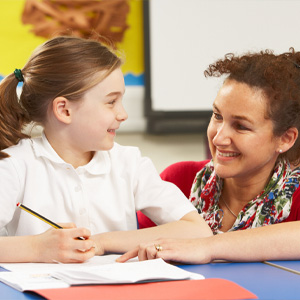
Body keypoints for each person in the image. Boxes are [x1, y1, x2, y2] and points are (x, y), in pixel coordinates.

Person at [0, 36, 212, 263]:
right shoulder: (14, 165)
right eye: (111, 102)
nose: (123, 114)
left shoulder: (129, 163)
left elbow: (198, 231)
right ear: (64, 110)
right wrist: (38, 248)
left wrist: (102, 242)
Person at [118, 48, 300, 263]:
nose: (218, 138)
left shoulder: (295, 197)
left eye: (241, 126)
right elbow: (132, 247)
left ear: (285, 139)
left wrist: (205, 247)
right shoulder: (179, 179)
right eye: (217, 116)